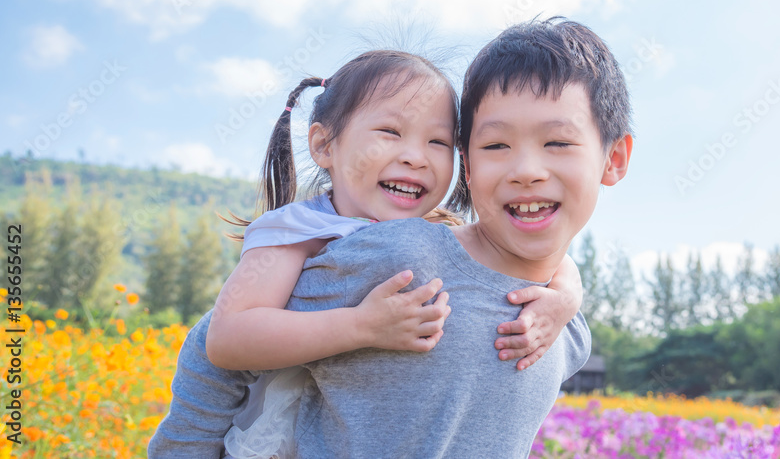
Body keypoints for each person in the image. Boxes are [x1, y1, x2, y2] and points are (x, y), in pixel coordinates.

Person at [148, 47, 584, 459]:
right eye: (390, 133)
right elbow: (225, 340)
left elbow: (543, 254)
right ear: (324, 146)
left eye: (438, 142)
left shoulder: (437, 230)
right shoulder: (296, 230)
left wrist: (564, 300)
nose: (416, 157)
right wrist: (361, 325)